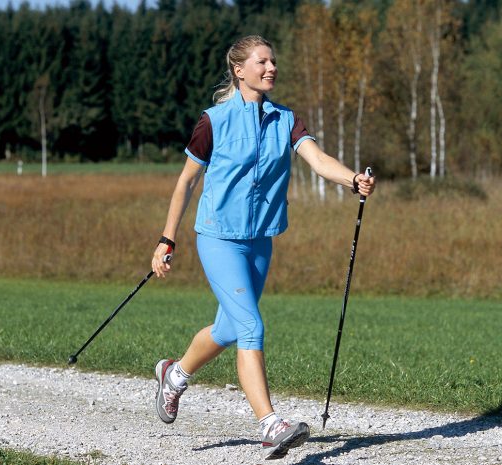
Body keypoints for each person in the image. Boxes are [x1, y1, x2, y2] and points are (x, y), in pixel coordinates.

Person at [151, 35, 375, 461]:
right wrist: (167, 238)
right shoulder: (213, 121)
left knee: (230, 328)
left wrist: (351, 180)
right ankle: (271, 424)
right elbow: (186, 182)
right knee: (251, 326)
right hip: (217, 236)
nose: (271, 68)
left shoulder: (285, 119)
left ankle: (174, 375)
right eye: (262, 62)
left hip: (259, 240)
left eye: (273, 61)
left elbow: (317, 158)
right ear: (239, 70)